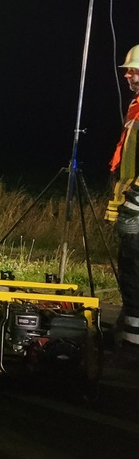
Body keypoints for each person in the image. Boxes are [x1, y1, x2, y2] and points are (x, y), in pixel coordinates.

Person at [105, 45, 139, 353]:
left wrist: (134, 199)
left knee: (134, 274)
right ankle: (126, 331)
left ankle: (131, 344)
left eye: (133, 70)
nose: (127, 75)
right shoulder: (135, 107)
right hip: (130, 204)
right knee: (129, 272)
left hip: (137, 207)